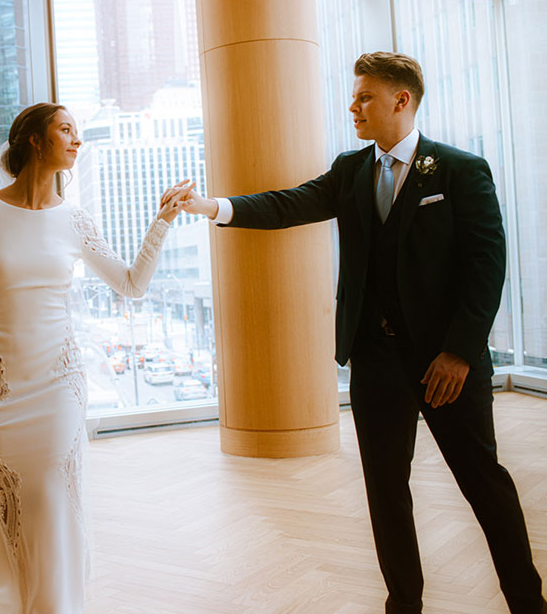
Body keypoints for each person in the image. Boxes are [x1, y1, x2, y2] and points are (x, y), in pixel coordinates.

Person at [176, 52, 545, 614]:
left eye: (365, 96)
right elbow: (289, 203)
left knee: (484, 482)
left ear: (402, 100)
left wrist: (459, 352)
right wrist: (213, 207)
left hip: (448, 365)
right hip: (374, 362)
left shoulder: (460, 170)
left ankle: (527, 600)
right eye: (354, 96)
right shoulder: (350, 169)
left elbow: (486, 266)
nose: (353, 106)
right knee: (385, 493)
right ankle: (404, 603)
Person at [0, 102, 193, 613]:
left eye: (78, 132)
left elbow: (131, 285)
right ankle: (19, 600)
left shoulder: (75, 219)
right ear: (34, 140)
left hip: (58, 381)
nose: (77, 140)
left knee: (52, 495)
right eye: (66, 130)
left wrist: (161, 221)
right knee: (13, 502)